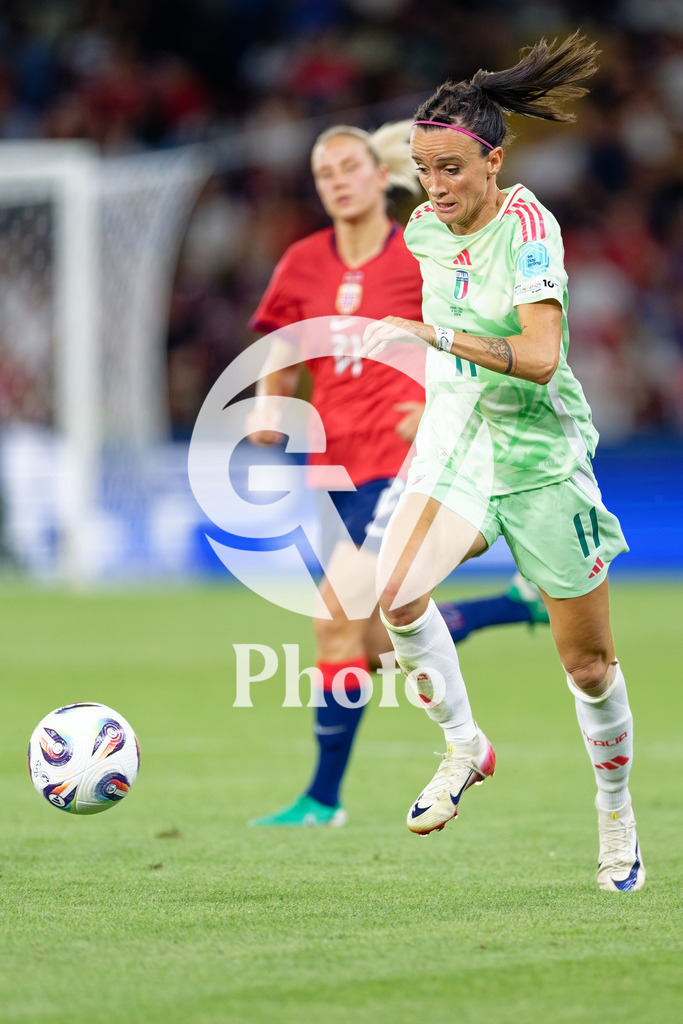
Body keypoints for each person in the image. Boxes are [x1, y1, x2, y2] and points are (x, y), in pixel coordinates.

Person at [360, 32, 643, 891]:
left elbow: (539, 355)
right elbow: (451, 352)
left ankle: (616, 813)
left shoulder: (528, 228)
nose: (434, 187)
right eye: (422, 167)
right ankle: (463, 747)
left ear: (492, 163)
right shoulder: (420, 231)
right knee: (397, 593)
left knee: (586, 665)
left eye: (450, 169)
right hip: (459, 446)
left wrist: (430, 336)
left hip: (541, 458)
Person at [246, 117, 549, 828]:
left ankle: (322, 799)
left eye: (349, 166)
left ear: (378, 175)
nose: (338, 181)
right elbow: (284, 346)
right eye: (324, 173)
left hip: (411, 456)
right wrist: (268, 400)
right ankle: (506, 607)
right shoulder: (301, 263)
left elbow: (475, 322)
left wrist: (438, 400)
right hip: (336, 468)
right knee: (373, 640)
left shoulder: (422, 249)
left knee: (332, 620)